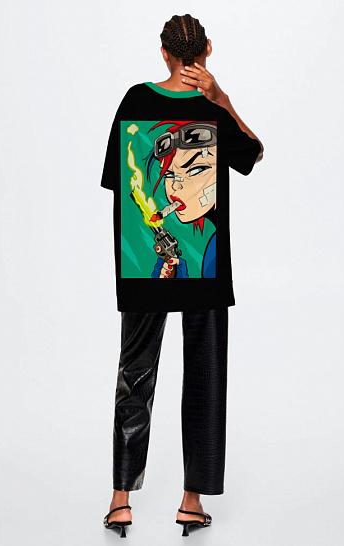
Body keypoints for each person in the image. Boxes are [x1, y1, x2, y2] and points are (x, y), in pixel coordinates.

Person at [100, 13, 264, 537]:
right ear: (208, 49)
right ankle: (191, 503)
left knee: (134, 377)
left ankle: (120, 502)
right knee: (204, 380)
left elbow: (118, 184)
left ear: (163, 52)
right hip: (205, 270)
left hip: (139, 268)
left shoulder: (134, 101)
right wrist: (221, 99)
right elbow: (255, 152)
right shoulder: (211, 109)